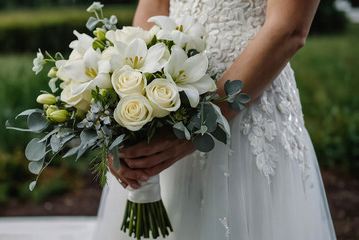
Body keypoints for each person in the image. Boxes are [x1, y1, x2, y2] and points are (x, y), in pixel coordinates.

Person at [93, 0, 336, 239]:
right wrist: (127, 116)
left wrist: (202, 127)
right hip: (167, 105)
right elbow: (153, 9)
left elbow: (288, 29)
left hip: (249, 108)